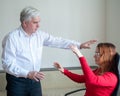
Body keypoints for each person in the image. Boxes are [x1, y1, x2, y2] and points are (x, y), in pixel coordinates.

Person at [1, 6, 97, 96]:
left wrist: (79, 45)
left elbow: (58, 41)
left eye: (39, 22)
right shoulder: (12, 38)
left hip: (35, 79)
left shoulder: (40, 35)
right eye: (35, 22)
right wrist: (27, 73)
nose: (38, 25)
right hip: (17, 82)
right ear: (24, 23)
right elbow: (7, 64)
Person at [54, 43, 119, 96]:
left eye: (97, 53)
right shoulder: (98, 71)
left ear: (106, 56)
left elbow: (92, 80)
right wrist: (64, 71)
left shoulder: (112, 77)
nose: (94, 56)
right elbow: (80, 79)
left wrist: (80, 55)